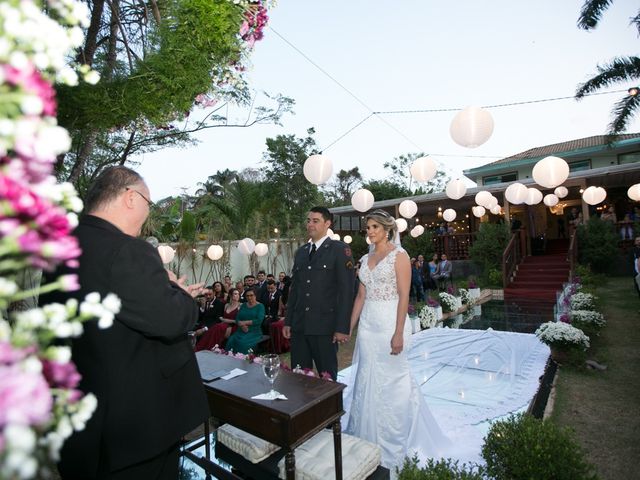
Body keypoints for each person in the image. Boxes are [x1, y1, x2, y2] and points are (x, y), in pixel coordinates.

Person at [41, 166, 208, 479]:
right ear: (131, 197)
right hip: (136, 428)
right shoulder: (128, 250)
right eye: (148, 203)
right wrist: (179, 293)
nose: (147, 214)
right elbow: (172, 320)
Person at [345, 209, 451, 473]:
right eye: (367, 227)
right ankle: (365, 437)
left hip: (391, 325)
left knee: (393, 379)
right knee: (367, 376)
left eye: (374, 227)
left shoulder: (399, 256)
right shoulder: (364, 257)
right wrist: (348, 327)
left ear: (387, 230)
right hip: (368, 327)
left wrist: (398, 332)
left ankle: (395, 438)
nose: (369, 232)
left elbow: (405, 296)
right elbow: (360, 296)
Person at [283, 206, 355, 380]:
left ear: (327, 223)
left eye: (315, 221)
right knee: (299, 377)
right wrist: (288, 321)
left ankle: (332, 409)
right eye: (308, 220)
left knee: (327, 377)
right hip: (300, 327)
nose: (310, 224)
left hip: (325, 328)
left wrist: (342, 327)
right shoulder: (301, 253)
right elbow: (295, 291)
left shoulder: (339, 250)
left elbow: (347, 291)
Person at [225, 288, 265, 354]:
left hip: (254, 331)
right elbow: (237, 318)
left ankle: (243, 359)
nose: (249, 297)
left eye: (251, 295)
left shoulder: (260, 306)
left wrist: (244, 323)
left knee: (243, 343)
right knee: (231, 340)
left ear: (255, 296)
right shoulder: (243, 305)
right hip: (241, 330)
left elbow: (259, 320)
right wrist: (242, 325)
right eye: (247, 296)